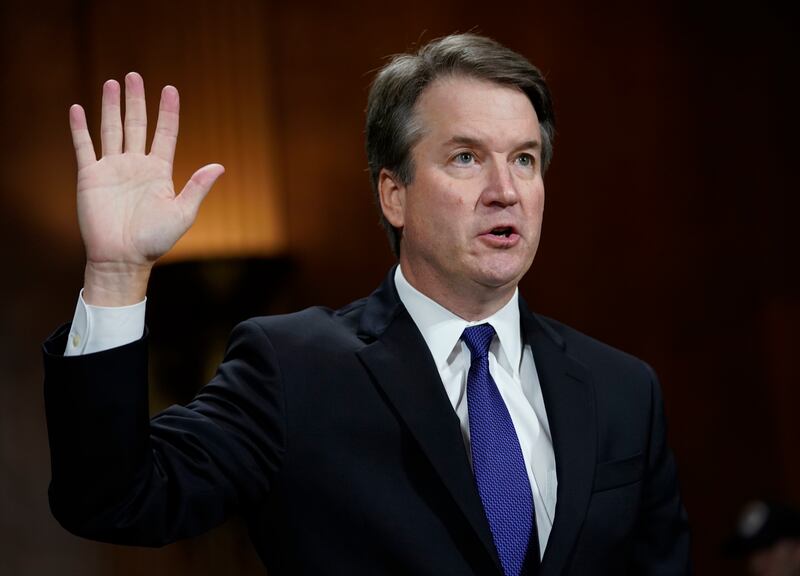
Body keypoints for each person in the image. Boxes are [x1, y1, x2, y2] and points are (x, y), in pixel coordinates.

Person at [43, 33, 691, 575]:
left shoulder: (623, 391)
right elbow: (115, 499)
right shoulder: (295, 368)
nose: (505, 190)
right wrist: (116, 273)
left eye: (524, 159)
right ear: (393, 195)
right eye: (466, 157)